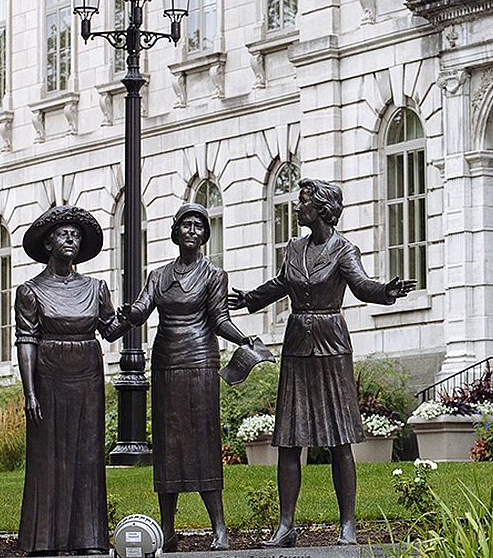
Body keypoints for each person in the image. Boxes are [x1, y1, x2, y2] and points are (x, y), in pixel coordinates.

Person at [228, 179, 416, 546]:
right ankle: (286, 526)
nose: (298, 207)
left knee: (339, 438)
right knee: (288, 439)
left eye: (303, 201)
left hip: (331, 344)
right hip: (297, 344)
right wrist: (249, 300)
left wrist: (385, 292)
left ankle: (348, 525)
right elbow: (281, 283)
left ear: (322, 208)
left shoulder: (344, 248)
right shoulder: (294, 248)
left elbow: (361, 286)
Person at [120, 203, 254, 551]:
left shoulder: (214, 275)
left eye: (198, 226)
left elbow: (219, 319)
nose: (192, 231)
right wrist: (127, 314)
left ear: (205, 235)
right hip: (166, 364)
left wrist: (242, 338)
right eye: (186, 226)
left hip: (200, 365)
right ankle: (167, 528)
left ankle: (219, 528)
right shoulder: (159, 276)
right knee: (168, 446)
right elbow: (141, 309)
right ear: (176, 232)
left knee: (203, 443)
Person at [15, 206, 128, 555]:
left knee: (88, 455)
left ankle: (89, 538)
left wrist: (131, 315)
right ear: (48, 243)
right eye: (63, 234)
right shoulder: (30, 291)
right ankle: (44, 540)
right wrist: (29, 392)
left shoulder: (96, 288)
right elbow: (26, 340)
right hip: (49, 378)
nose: (70, 239)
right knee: (48, 458)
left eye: (76, 235)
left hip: (87, 376)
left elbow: (109, 331)